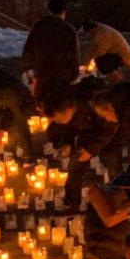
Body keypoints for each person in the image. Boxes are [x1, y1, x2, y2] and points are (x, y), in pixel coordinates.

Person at [44, 80, 115, 211]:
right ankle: (72, 201)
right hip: (87, 132)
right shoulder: (63, 108)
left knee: (113, 163)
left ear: (70, 110)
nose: (57, 122)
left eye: (59, 119)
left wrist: (90, 149)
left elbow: (112, 126)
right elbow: (63, 129)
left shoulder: (95, 103)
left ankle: (116, 202)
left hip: (110, 134)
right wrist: (65, 143)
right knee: (75, 164)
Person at [22, 0, 80, 107]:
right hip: (61, 75)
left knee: (40, 106)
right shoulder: (69, 30)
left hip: (41, 73)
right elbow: (74, 56)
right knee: (61, 107)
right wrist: (74, 74)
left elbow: (28, 48)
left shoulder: (39, 27)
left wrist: (27, 68)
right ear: (64, 12)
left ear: (49, 10)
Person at [0, 62, 35, 159]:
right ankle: (28, 153)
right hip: (11, 93)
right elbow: (12, 109)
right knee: (22, 122)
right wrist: (2, 128)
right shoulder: (9, 76)